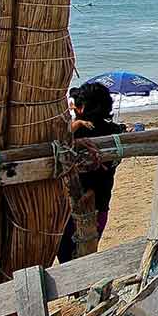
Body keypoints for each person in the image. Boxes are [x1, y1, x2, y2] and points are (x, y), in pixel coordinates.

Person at [57, 82, 126, 263]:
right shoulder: (115, 132)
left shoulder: (72, 136)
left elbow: (56, 142)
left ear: (82, 109)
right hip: (100, 207)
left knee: (67, 260)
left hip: (69, 211)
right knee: (87, 256)